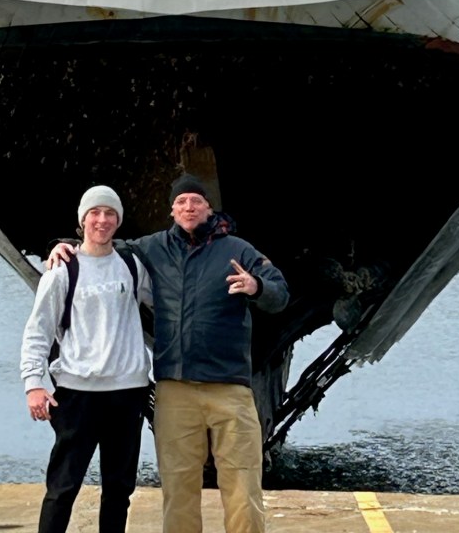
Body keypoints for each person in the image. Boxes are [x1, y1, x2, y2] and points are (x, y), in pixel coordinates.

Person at [48, 173, 289, 533]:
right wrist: (63, 244)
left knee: (242, 487)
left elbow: (279, 292)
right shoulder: (153, 247)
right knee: (178, 489)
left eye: (196, 201)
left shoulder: (238, 250)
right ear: (172, 211)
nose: (189, 207)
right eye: (181, 202)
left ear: (209, 208)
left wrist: (256, 287)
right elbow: (106, 246)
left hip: (230, 387)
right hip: (174, 389)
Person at [20, 185, 153, 533]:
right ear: (82, 220)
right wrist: (33, 384)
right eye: (95, 213)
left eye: (110, 213)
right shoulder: (63, 270)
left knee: (119, 489)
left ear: (118, 220)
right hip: (78, 393)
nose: (102, 220)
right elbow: (38, 330)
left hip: (128, 391)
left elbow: (167, 301)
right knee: (63, 487)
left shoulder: (132, 265)